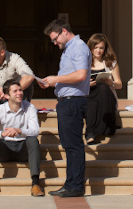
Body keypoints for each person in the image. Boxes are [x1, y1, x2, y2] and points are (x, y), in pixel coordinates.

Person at [38, 19, 91, 198]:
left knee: (73, 146)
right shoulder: (71, 48)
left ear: (64, 31)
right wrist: (52, 82)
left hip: (73, 102)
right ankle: (70, 184)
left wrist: (56, 79)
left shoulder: (78, 47)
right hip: (67, 101)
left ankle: (76, 186)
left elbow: (81, 74)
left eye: (55, 39)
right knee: (69, 145)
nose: (54, 43)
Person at [0, 79, 44, 197]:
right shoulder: (0, 110)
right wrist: (1, 134)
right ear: (7, 95)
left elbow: (35, 131)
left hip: (23, 149)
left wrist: (19, 131)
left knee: (33, 140)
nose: (19, 93)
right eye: (15, 91)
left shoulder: (29, 107)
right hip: (5, 149)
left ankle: (36, 184)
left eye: (20, 90)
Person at [85, 33, 122, 144]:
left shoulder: (111, 63)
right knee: (92, 102)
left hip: (106, 96)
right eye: (95, 47)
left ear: (105, 49)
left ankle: (90, 133)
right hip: (89, 94)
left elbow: (119, 84)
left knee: (102, 88)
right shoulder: (84, 63)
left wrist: (112, 83)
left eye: (101, 48)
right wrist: (86, 85)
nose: (98, 51)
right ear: (90, 48)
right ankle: (103, 128)